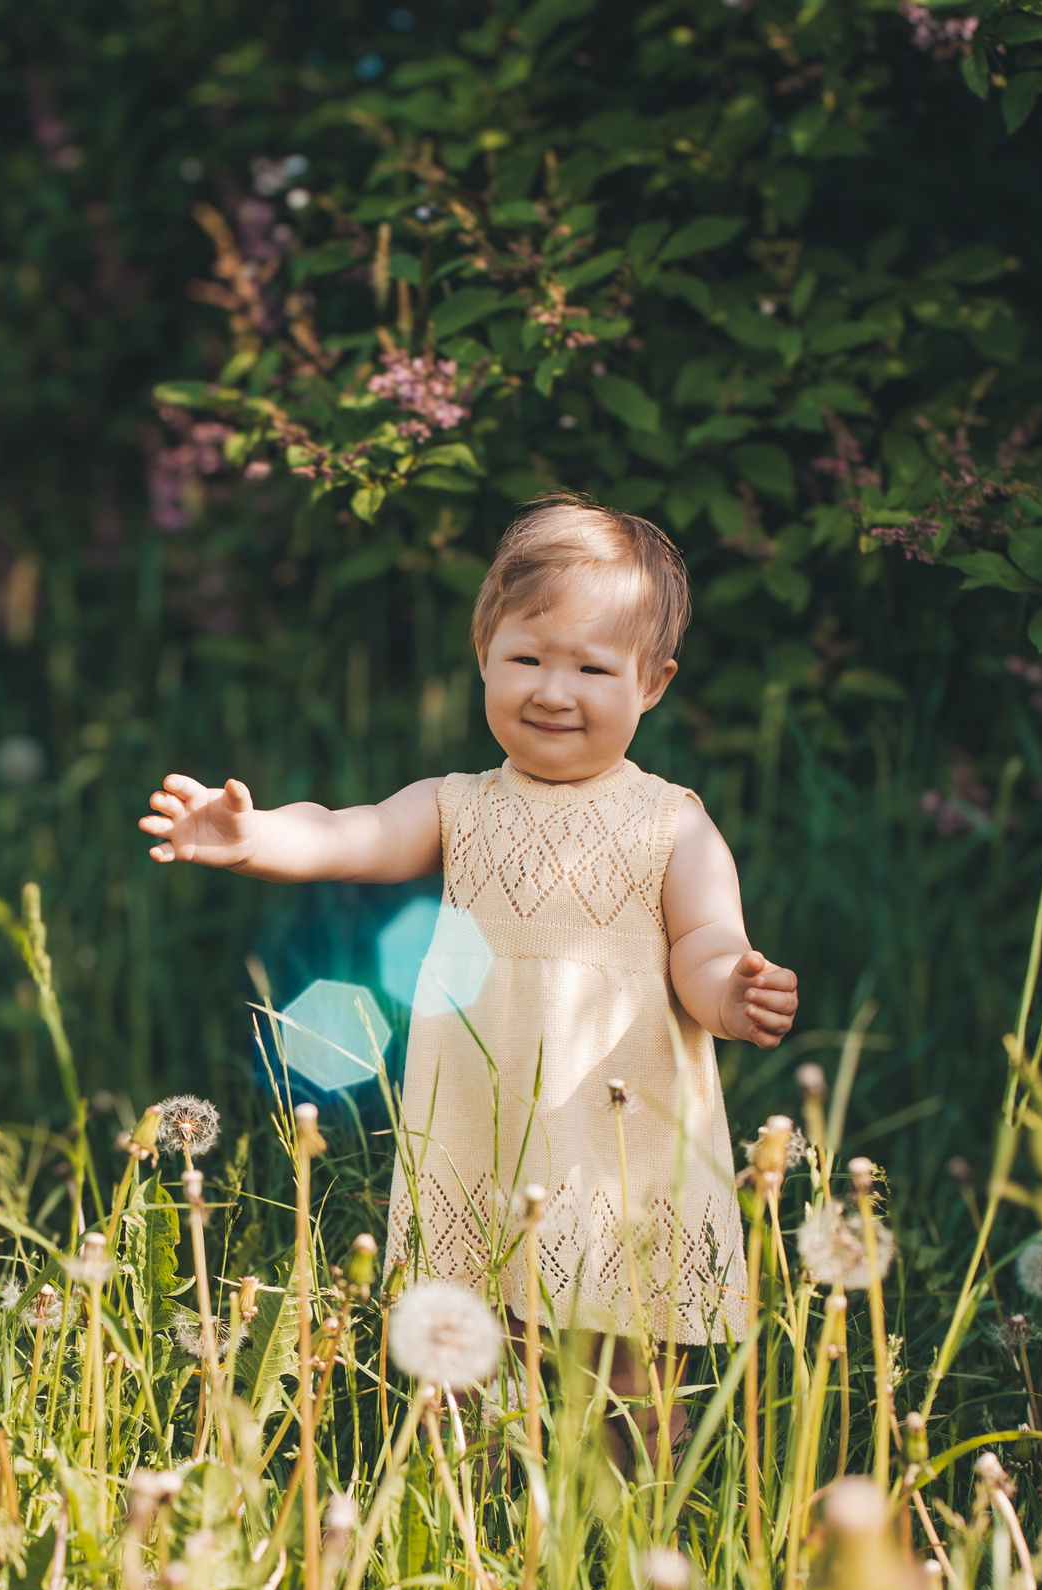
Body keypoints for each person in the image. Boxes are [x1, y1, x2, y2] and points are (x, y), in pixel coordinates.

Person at [138, 495, 798, 1468]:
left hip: (618, 1136)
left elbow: (702, 941)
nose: (553, 690)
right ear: (486, 650)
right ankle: (483, 1514)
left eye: (591, 667)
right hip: (481, 1130)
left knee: (632, 1352)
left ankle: (636, 1518)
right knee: (485, 1343)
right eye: (528, 658)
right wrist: (254, 836)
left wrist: (731, 991)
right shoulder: (459, 805)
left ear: (651, 684)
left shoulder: (671, 822)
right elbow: (350, 832)